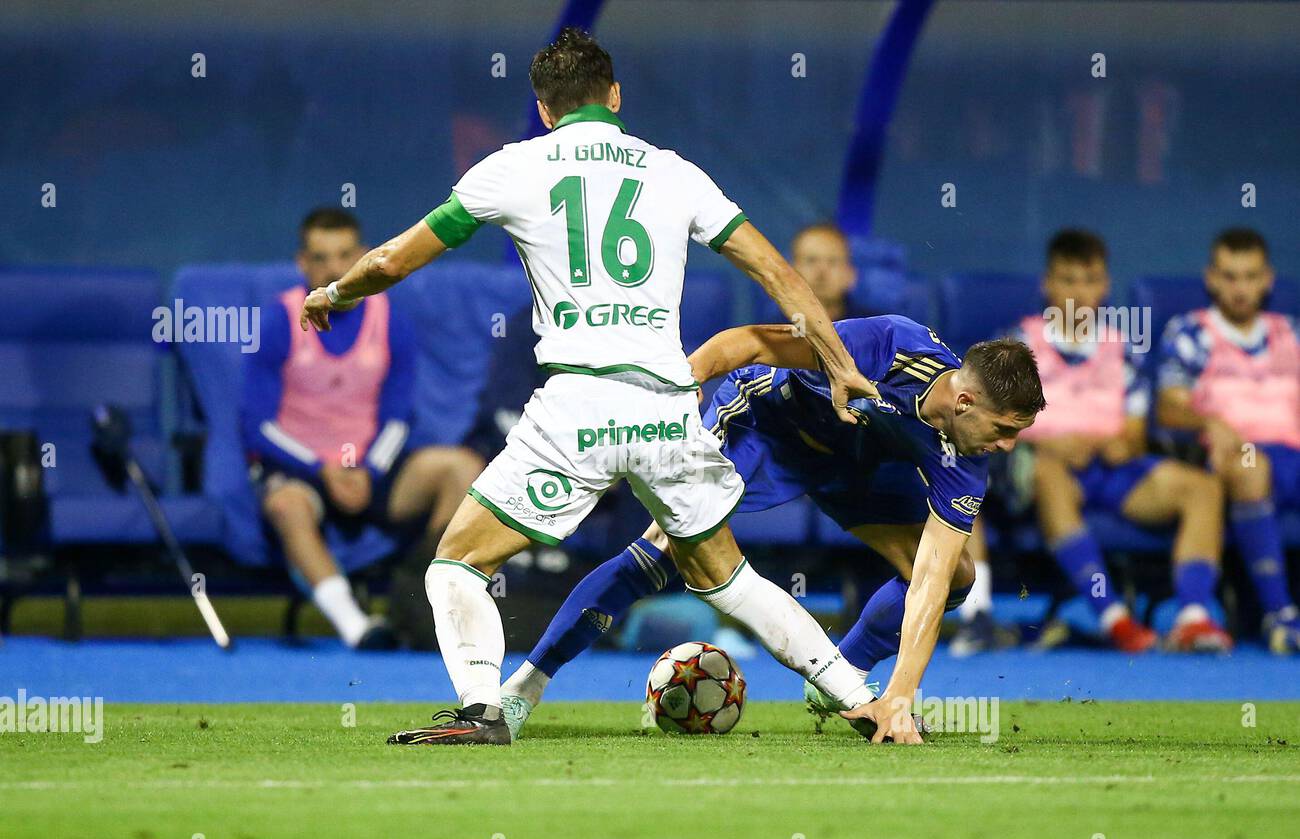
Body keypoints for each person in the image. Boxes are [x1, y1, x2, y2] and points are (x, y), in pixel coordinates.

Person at [298, 29, 885, 743]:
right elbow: (777, 274)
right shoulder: (674, 172)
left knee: (457, 560)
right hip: (668, 410)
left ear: (544, 110)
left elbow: (390, 261)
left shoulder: (511, 168)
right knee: (730, 579)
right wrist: (838, 363)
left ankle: (484, 710)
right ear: (614, 97)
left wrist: (335, 292)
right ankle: (863, 699)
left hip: (576, 408)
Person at [499, 317, 1044, 740]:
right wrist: (682, 384)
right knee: (662, 552)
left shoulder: (967, 461)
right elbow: (752, 341)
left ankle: (844, 677)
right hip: (763, 427)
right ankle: (527, 686)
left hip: (850, 464)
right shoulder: (887, 346)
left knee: (956, 578)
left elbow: (930, 577)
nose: (1006, 447)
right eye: (1004, 430)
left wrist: (901, 695)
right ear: (966, 401)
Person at [241, 208, 482, 649]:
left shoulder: (390, 320)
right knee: (286, 506)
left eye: (344, 255)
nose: (333, 268)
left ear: (365, 257)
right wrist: (322, 470)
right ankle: (357, 627)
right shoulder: (279, 321)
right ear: (302, 264)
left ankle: (421, 603)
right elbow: (257, 428)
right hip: (302, 474)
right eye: (320, 257)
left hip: (371, 469)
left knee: (461, 468)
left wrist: (367, 471)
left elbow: (397, 418)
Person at [1007, 229, 1231, 652]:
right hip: (1051, 469)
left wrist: (1119, 444)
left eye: (1089, 280)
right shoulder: (1020, 345)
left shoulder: (1122, 346)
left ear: (1105, 286)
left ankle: (1193, 619)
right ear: (1047, 284)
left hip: (1113, 470)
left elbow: (1133, 432)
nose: (1079, 292)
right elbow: (1001, 420)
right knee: (1046, 474)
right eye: (1068, 280)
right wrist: (1045, 441)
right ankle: (1115, 619)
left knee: (1203, 489)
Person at [1157, 228, 1300, 654]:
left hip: (1292, 455)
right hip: (1240, 459)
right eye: (1230, 276)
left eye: (1250, 276)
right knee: (1247, 466)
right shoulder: (1189, 333)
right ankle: (1280, 615)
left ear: (1267, 280)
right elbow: (1168, 407)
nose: (1240, 288)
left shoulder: (1290, 334)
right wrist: (1210, 419)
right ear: (1212, 279)